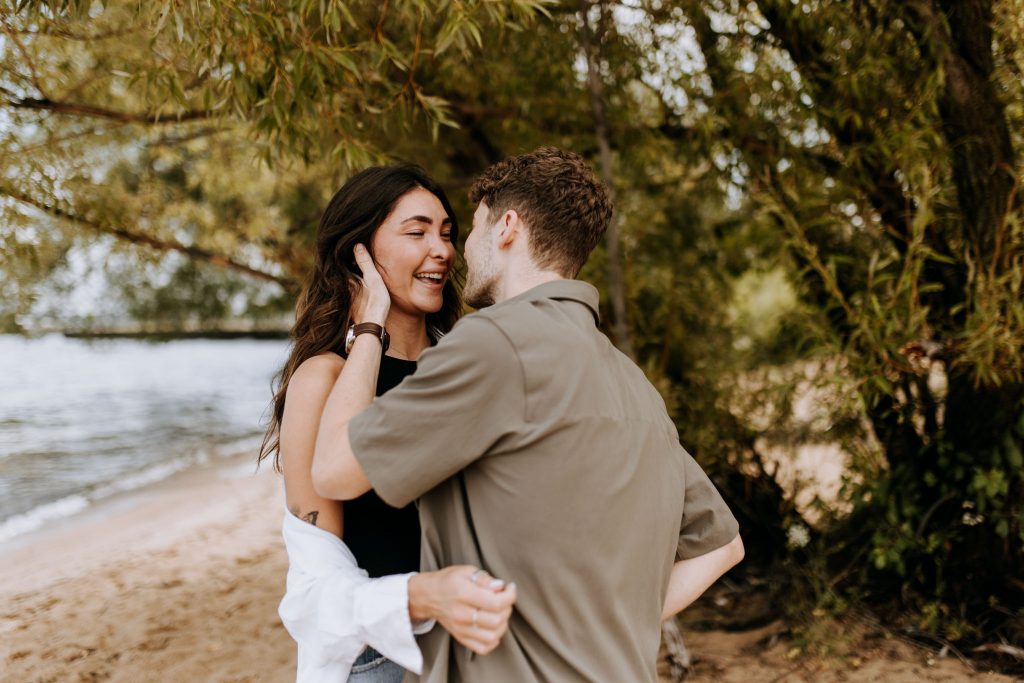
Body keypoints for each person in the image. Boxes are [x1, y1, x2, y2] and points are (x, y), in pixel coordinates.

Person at [311, 147, 745, 682]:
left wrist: (370, 325)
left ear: (507, 226)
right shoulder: (632, 382)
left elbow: (333, 468)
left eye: (465, 230)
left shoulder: (492, 344)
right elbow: (722, 546)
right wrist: (597, 627)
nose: (457, 251)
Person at [258, 165, 516, 683]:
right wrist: (369, 328)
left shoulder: (463, 367)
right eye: (416, 232)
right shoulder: (322, 378)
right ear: (359, 253)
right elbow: (316, 585)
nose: (441, 250)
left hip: (479, 646)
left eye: (447, 233)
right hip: (377, 658)